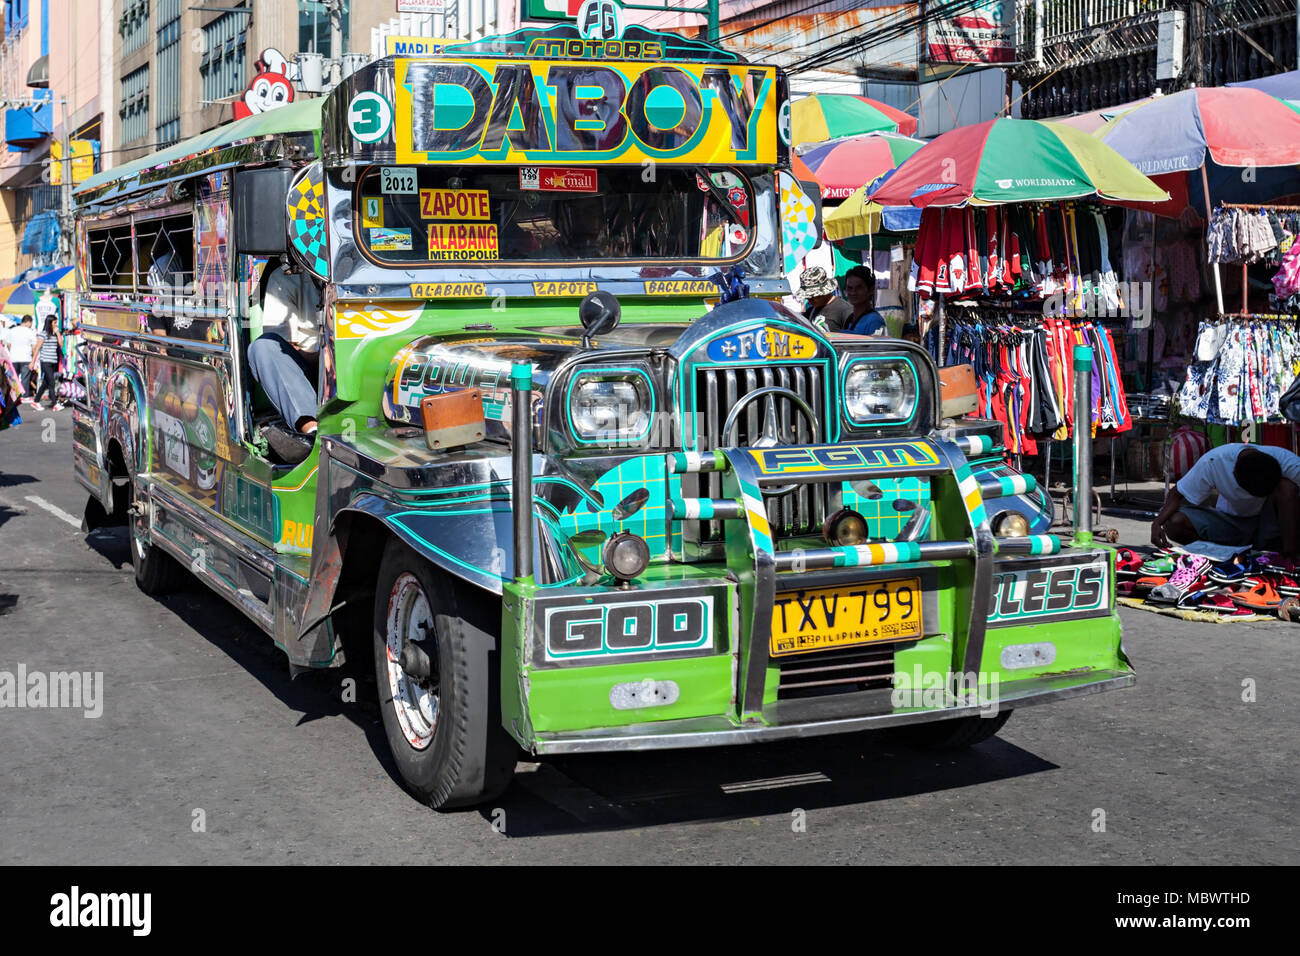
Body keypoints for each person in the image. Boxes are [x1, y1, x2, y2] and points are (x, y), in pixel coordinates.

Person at [1151, 443, 1300, 557]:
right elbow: (1177, 493)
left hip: (1269, 526)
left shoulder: (1289, 463)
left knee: (1286, 488)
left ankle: (1289, 555)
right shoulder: (1215, 461)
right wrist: (1157, 523)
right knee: (1174, 522)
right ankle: (1218, 554)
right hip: (1232, 524)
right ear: (1234, 475)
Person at [248, 259, 322, 441]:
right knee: (263, 347)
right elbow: (284, 345)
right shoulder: (286, 278)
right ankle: (311, 429)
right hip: (310, 368)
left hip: (359, 362)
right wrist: (326, 357)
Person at [798, 266, 851, 332]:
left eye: (813, 296)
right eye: (807, 296)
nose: (809, 300)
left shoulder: (845, 311)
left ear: (825, 292)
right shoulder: (810, 311)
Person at [840, 265, 888, 336]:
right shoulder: (850, 319)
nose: (853, 292)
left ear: (871, 290)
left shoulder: (874, 321)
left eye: (859, 288)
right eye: (850, 288)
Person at [3, 316, 39, 405]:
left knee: (13, 378)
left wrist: (13, 351)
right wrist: (33, 359)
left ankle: (12, 396)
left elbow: (8, 344)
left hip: (14, 357)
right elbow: (34, 347)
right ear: (28, 322)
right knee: (25, 378)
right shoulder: (30, 332)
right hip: (26, 358)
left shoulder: (12, 331)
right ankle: (24, 396)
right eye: (31, 323)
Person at [31, 316, 63, 410]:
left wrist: (57, 333)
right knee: (51, 382)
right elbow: (37, 349)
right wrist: (33, 362)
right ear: (49, 323)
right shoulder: (43, 334)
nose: (56, 325)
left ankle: (35, 401)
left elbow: (61, 344)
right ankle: (54, 404)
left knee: (45, 383)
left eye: (56, 322)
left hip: (53, 361)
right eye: (54, 323)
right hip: (45, 361)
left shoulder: (55, 334)